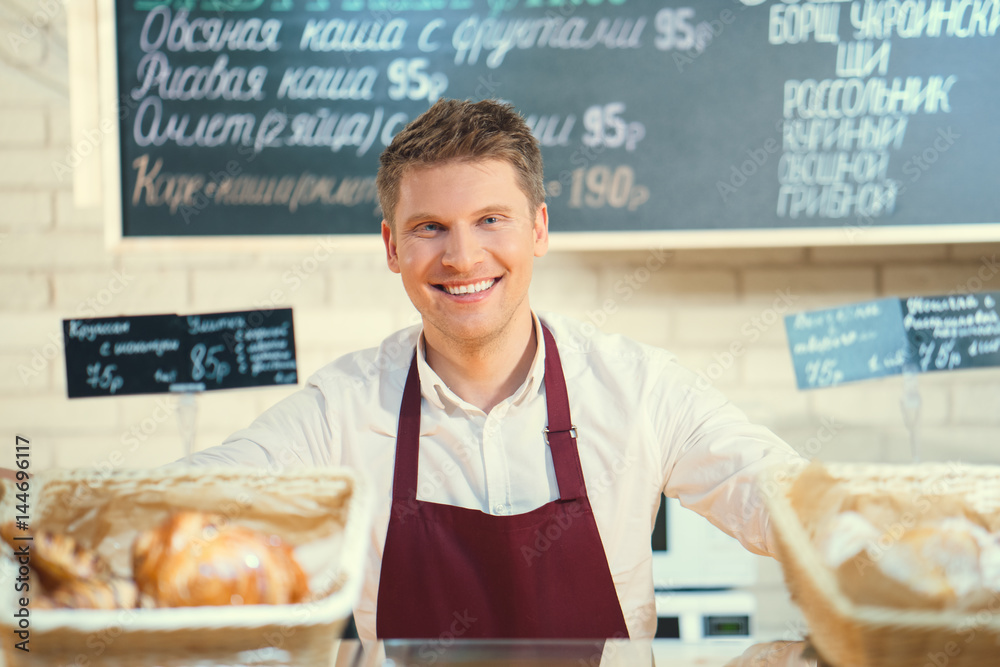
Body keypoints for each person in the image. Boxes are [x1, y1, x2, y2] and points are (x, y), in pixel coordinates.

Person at [184, 98, 806, 641]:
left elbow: (790, 502)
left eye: (490, 220)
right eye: (430, 228)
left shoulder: (639, 389)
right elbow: (185, 502)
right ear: (392, 247)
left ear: (538, 227)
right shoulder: (341, 408)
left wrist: (872, 558)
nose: (462, 256)